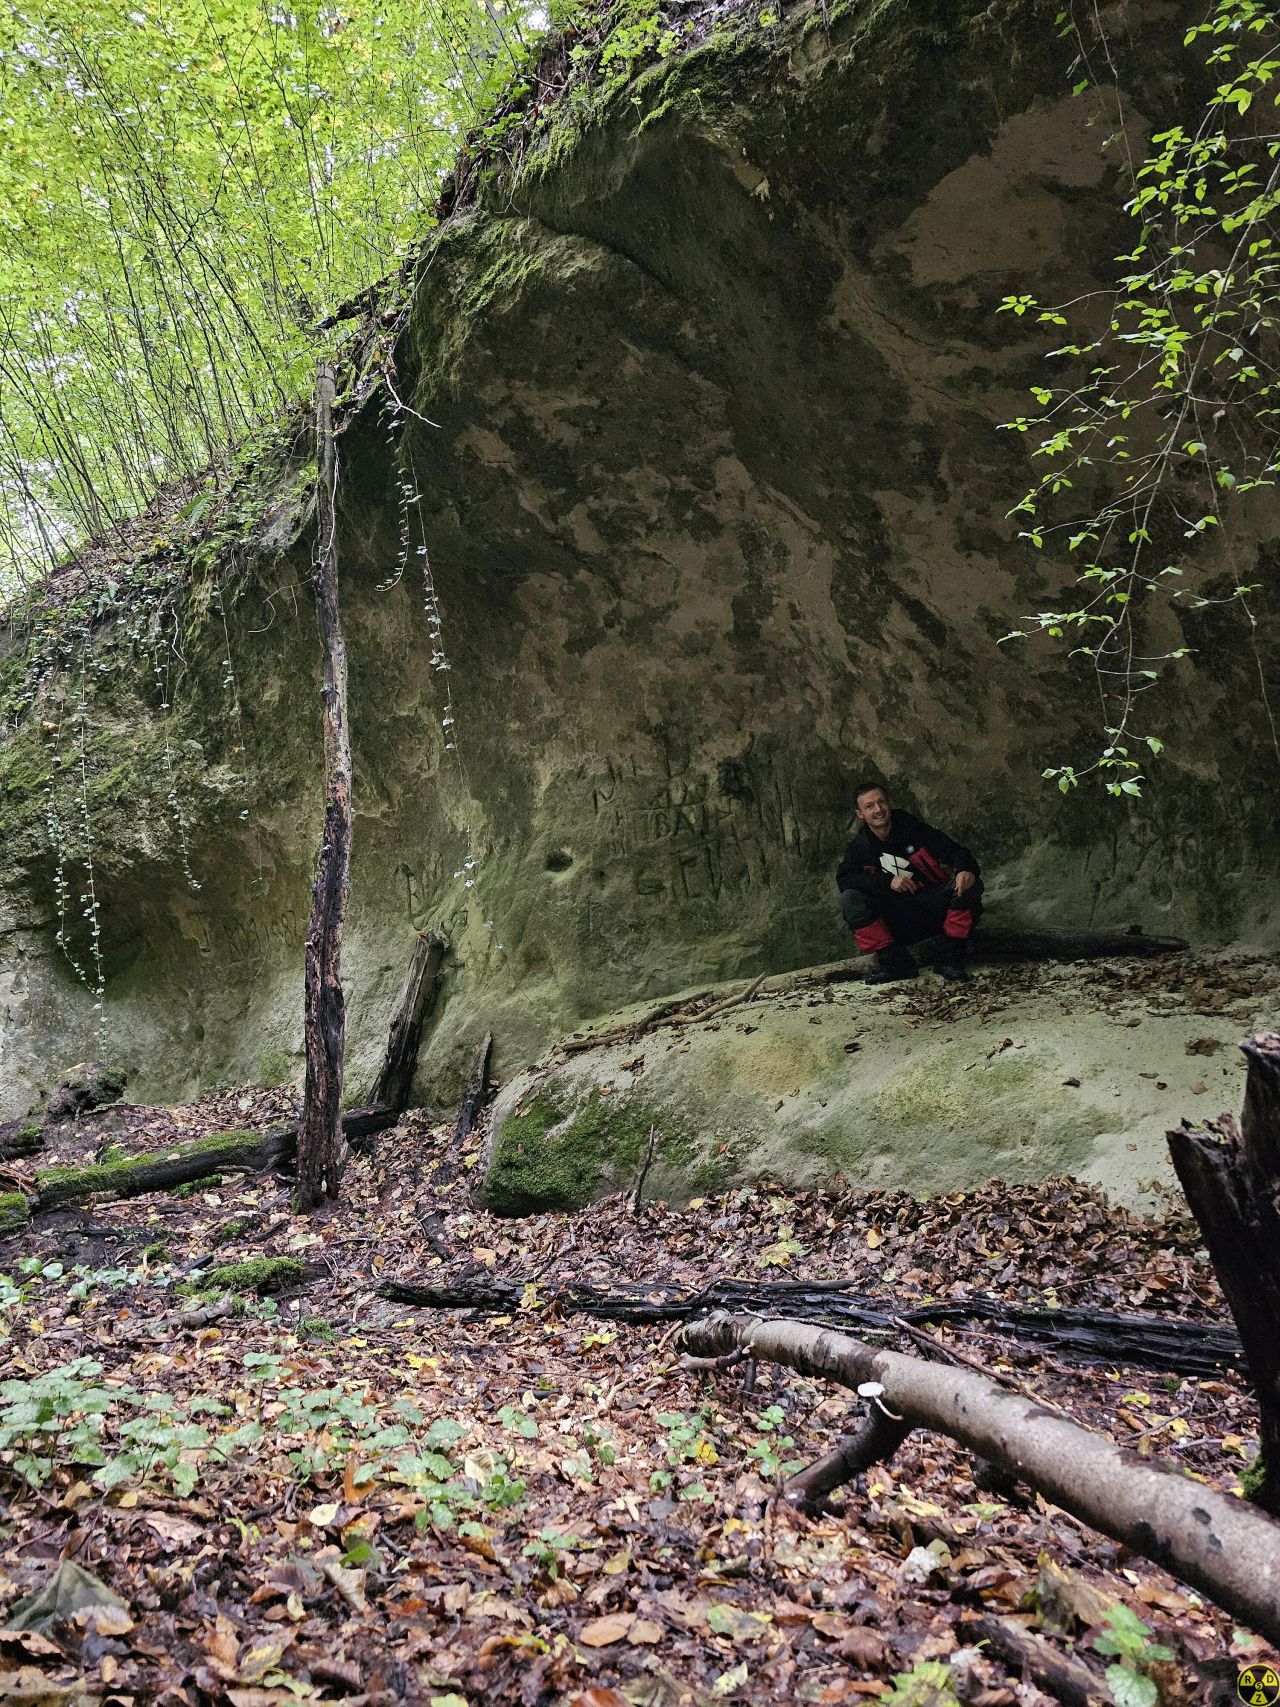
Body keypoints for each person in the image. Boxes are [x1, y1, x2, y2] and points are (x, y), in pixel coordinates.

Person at [836, 783, 983, 983]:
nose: (878, 810)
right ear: (860, 814)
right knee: (850, 898)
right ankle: (894, 963)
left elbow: (956, 851)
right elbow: (845, 879)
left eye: (881, 802)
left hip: (933, 907)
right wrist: (887, 882)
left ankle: (950, 959)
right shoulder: (860, 847)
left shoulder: (913, 829)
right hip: (897, 921)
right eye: (869, 806)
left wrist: (965, 870)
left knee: (970, 885)